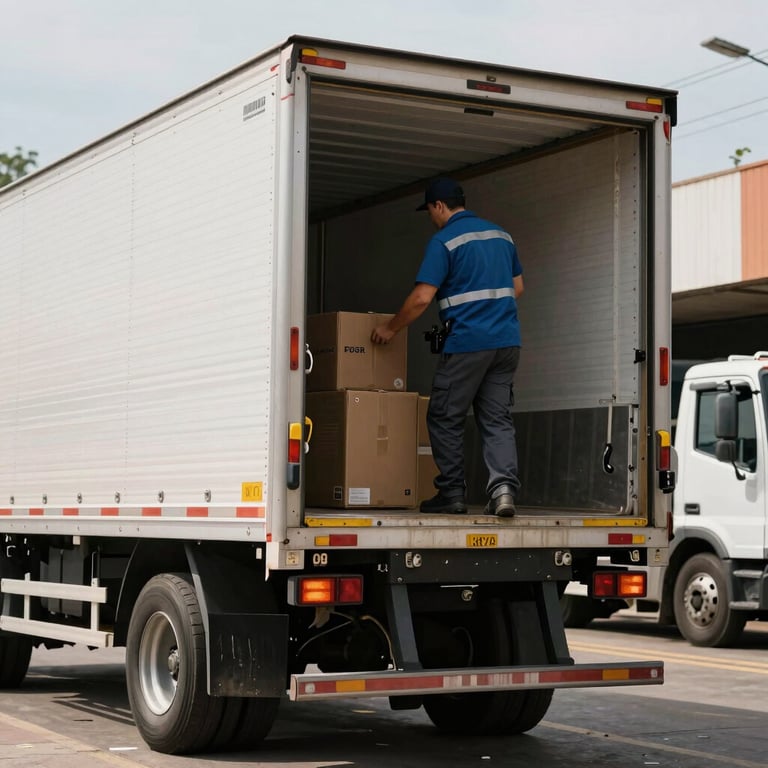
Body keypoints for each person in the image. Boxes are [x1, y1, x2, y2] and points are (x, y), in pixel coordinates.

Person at [371, 178, 524, 516]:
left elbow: (422, 297)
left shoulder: (445, 241)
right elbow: (518, 287)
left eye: (429, 211)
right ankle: (503, 492)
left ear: (439, 206)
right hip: (507, 343)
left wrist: (390, 328)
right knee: (497, 419)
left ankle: (452, 493)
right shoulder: (501, 236)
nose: (431, 217)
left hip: (468, 341)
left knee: (443, 415)